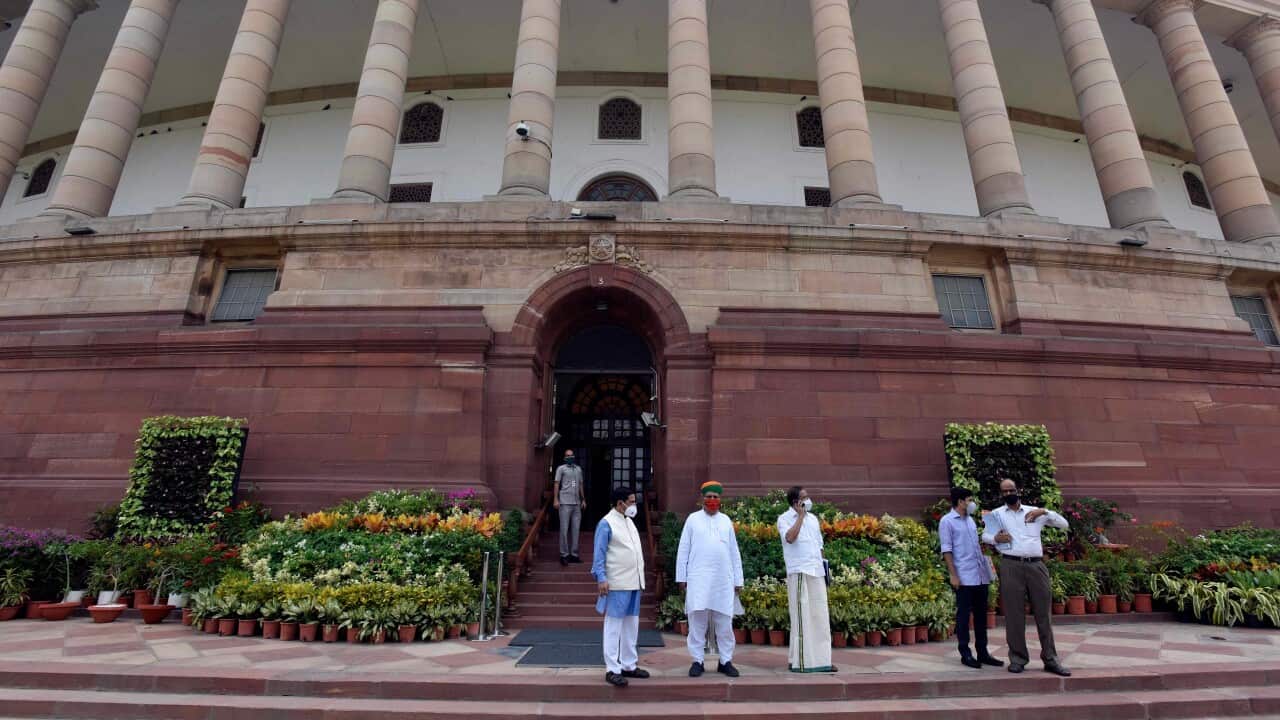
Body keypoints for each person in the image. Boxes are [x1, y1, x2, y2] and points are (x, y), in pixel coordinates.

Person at [982, 478, 1071, 677]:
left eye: (1011, 490)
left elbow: (1064, 525)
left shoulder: (1034, 511)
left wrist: (1045, 512)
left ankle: (1050, 659)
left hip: (1036, 565)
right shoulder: (996, 514)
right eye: (1004, 492)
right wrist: (995, 538)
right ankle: (1018, 658)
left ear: (1018, 490)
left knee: (1043, 614)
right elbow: (985, 536)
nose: (1008, 494)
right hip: (1010, 564)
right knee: (1014, 615)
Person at [676, 480, 744, 678]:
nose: (712, 500)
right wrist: (681, 577)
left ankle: (725, 661)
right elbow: (683, 550)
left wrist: (738, 579)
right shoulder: (692, 520)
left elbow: (734, 551)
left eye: (715, 497)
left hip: (723, 581)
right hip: (698, 579)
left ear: (720, 500)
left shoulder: (725, 521)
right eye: (709, 497)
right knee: (697, 623)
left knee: (724, 624)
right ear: (702, 499)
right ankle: (697, 661)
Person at [939, 486, 1003, 670]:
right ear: (960, 501)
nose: (972, 503)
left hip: (980, 575)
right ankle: (965, 653)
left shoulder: (971, 521)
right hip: (964, 576)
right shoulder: (947, 521)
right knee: (963, 616)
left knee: (981, 615)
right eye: (969, 500)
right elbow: (947, 550)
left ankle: (982, 652)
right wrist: (953, 575)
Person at [592, 488, 650, 687]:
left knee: (631, 625)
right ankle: (612, 669)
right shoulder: (606, 523)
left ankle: (629, 665)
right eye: (631, 501)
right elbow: (599, 555)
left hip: (634, 581)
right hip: (616, 583)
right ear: (620, 503)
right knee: (614, 626)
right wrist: (601, 578)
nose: (634, 505)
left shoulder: (629, 522)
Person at [777, 486, 835, 673]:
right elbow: (790, 538)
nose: (808, 500)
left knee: (820, 617)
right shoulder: (784, 519)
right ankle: (802, 661)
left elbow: (819, 546)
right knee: (802, 618)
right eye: (804, 497)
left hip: (816, 571)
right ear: (796, 502)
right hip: (799, 571)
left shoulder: (814, 519)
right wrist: (800, 517)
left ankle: (822, 660)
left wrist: (824, 569)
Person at [553, 449, 586, 566]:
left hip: (576, 503)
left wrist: (583, 499)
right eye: (567, 455)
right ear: (564, 457)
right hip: (565, 502)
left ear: (574, 456)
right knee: (564, 529)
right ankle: (564, 555)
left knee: (576, 530)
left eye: (571, 455)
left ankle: (574, 555)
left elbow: (580, 484)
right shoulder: (561, 469)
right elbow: (556, 483)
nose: (569, 457)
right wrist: (556, 499)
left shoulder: (578, 469)